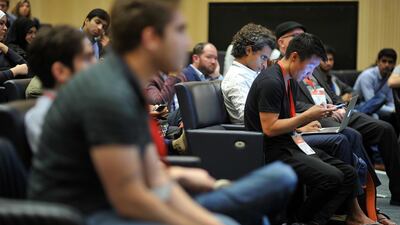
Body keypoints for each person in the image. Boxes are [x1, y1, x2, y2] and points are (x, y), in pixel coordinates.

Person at [28, 1, 297, 225]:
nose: (188, 41)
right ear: (151, 38)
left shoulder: (126, 85)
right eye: (180, 30)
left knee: (279, 179)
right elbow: (129, 197)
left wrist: (202, 212)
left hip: (133, 201)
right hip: (91, 214)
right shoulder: (107, 92)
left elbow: (154, 179)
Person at [245, 32, 375, 225]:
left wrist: (309, 120)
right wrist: (307, 115)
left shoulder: (289, 80)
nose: (311, 72)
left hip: (290, 141)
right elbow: (270, 128)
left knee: (348, 173)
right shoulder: (271, 82)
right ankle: (302, 220)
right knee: (333, 178)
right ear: (295, 56)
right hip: (272, 149)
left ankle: (306, 220)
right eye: (311, 66)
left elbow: (285, 118)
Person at [25, 25, 96, 154]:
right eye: (87, 58)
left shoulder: (85, 104)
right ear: (60, 71)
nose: (96, 64)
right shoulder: (42, 117)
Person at [354, 48, 397, 119]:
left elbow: (390, 102)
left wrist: (394, 110)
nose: (387, 65)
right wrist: (392, 110)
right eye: (384, 61)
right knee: (375, 116)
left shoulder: (391, 79)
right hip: (359, 106)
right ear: (378, 62)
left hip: (376, 107)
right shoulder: (367, 75)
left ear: (394, 65)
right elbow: (371, 103)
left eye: (390, 62)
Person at [0, 9, 27, 84]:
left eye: (5, 24)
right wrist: (14, 71)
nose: (5, 28)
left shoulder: (4, 48)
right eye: (1, 23)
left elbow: (26, 67)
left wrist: (4, 48)